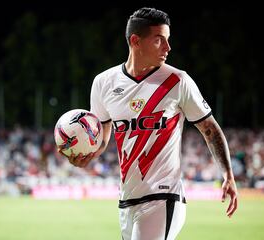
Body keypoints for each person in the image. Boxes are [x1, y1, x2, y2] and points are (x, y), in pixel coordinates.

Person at [60, 7, 238, 240]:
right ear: (136, 41)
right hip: (127, 201)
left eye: (168, 40)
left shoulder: (178, 81)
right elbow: (102, 139)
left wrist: (228, 173)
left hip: (163, 198)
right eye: (159, 40)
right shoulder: (103, 83)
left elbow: (210, 129)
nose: (168, 47)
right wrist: (88, 155)